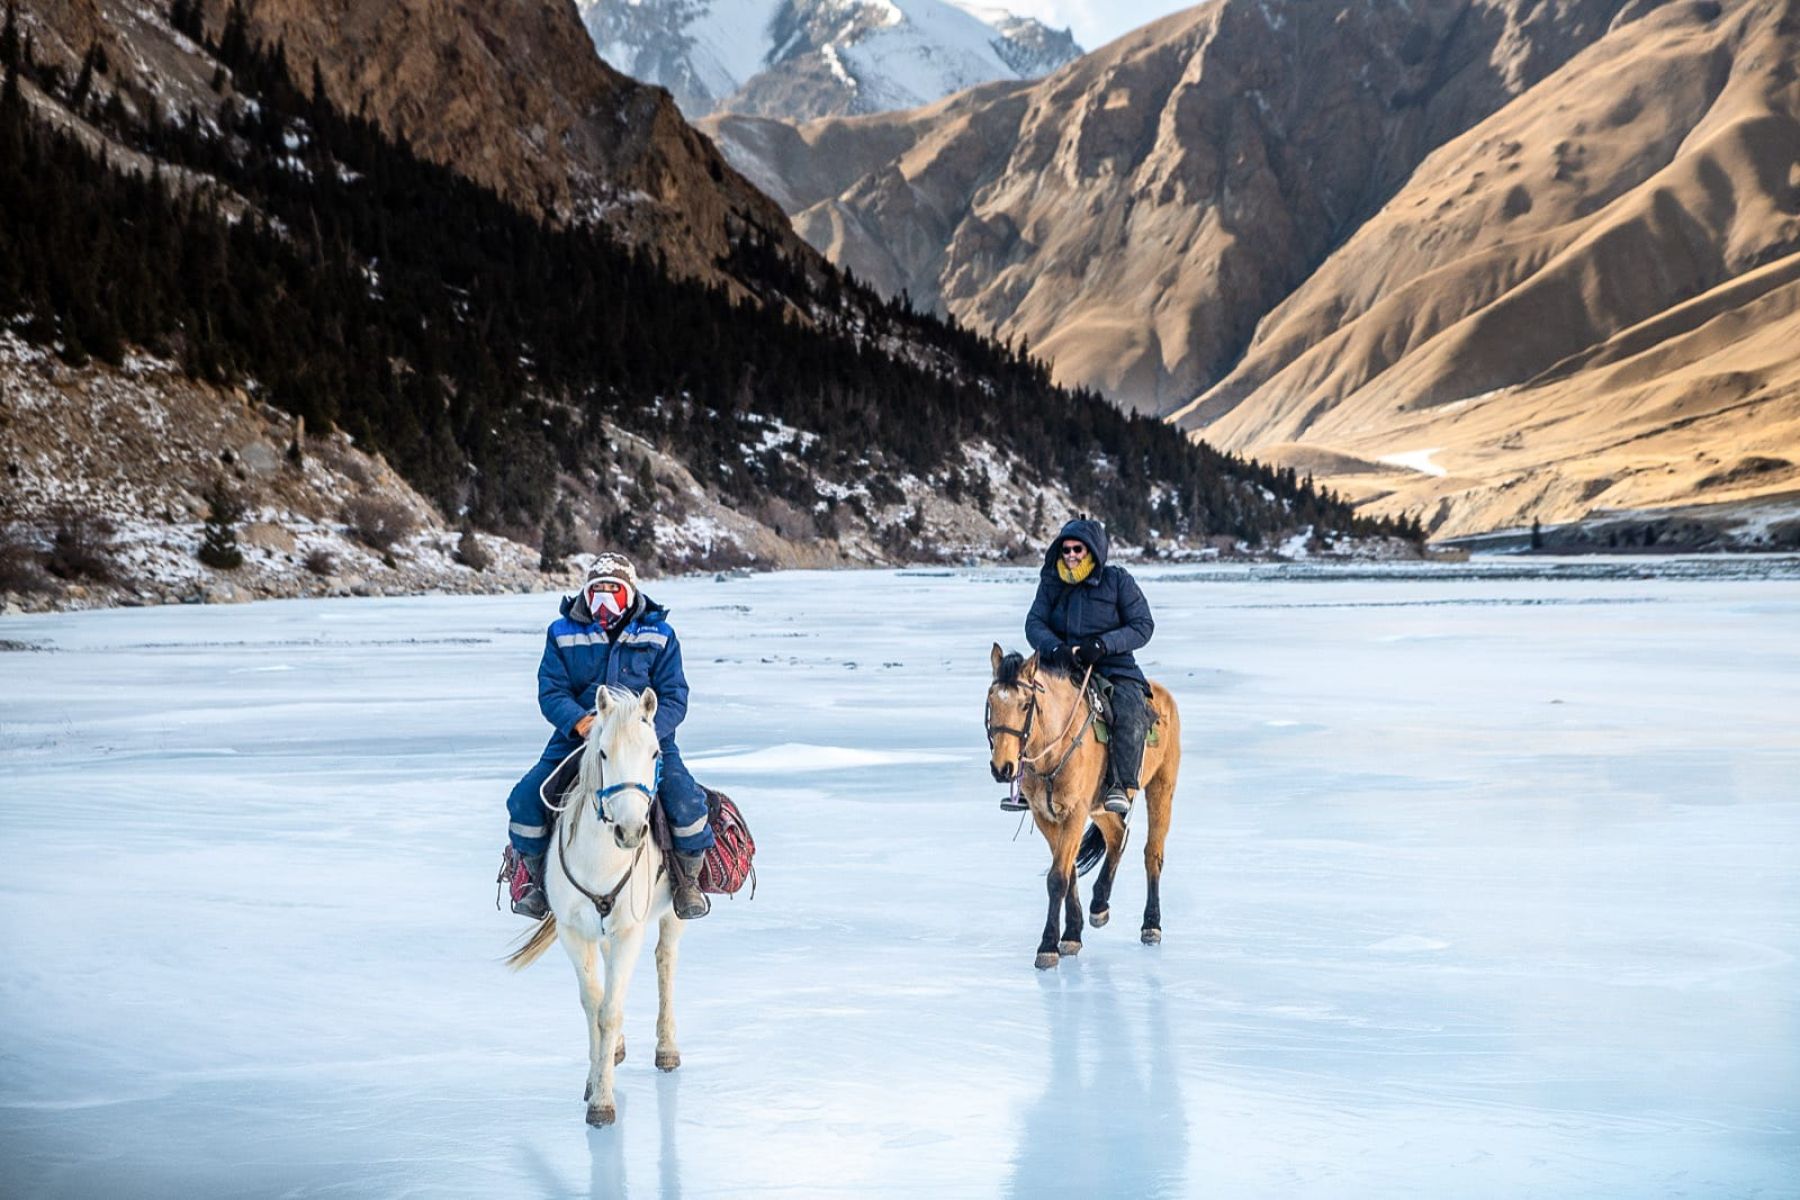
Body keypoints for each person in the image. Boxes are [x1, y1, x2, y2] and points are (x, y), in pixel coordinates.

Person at [500, 553, 714, 920]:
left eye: (613, 588)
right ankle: (536, 885)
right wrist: (576, 722)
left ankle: (686, 882)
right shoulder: (562, 632)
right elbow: (551, 690)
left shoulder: (660, 634)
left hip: (646, 740)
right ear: (586, 590)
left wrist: (646, 732)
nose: (604, 595)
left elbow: (675, 694)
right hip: (579, 738)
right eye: (597, 588)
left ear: (630, 592)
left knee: (686, 804)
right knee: (525, 800)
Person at [1024, 517, 1155, 816]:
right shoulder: (1051, 582)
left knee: (1129, 711)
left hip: (1113, 667)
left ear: (1093, 552)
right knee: (1025, 705)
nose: (1070, 556)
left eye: (1077, 550)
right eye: (1066, 550)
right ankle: (1024, 783)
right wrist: (1056, 649)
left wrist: (1103, 645)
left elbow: (1143, 626)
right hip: (1062, 667)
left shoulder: (1117, 581)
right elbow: (1034, 624)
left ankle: (1119, 786)